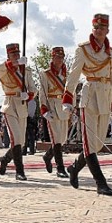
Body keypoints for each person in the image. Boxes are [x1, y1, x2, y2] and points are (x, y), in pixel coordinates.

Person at [62, 13, 112, 195]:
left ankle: (74, 168)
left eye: (102, 28)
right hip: (89, 96)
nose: (98, 30)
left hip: (106, 96)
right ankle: (100, 183)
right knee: (89, 142)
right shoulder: (83, 50)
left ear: (107, 30)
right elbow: (73, 75)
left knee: (98, 144)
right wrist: (68, 100)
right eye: (95, 27)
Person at [0, 43, 36, 181]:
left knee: (21, 141)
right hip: (10, 106)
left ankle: (5, 159)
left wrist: (29, 95)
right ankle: (20, 171)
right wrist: (14, 63)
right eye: (13, 54)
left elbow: (33, 88)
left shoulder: (26, 70)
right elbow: (0, 70)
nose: (16, 56)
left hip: (22, 107)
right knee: (16, 139)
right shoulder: (4, 68)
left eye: (17, 54)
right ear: (8, 56)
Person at [39, 46, 70, 178]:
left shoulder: (66, 74)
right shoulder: (45, 74)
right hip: (52, 106)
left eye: (62, 57)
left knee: (62, 139)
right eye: (57, 57)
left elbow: (70, 92)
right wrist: (44, 109)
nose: (60, 60)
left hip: (63, 107)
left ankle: (48, 156)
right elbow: (43, 93)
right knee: (56, 139)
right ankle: (60, 168)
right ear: (52, 58)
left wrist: (71, 107)